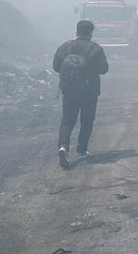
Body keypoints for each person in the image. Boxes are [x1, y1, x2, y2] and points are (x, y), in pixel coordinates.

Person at [52, 20, 109, 169]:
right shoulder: (95, 49)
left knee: (67, 120)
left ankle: (63, 147)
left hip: (69, 91)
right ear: (91, 33)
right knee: (87, 120)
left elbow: (56, 67)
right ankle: (82, 150)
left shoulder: (65, 47)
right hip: (90, 92)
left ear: (77, 31)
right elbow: (104, 69)